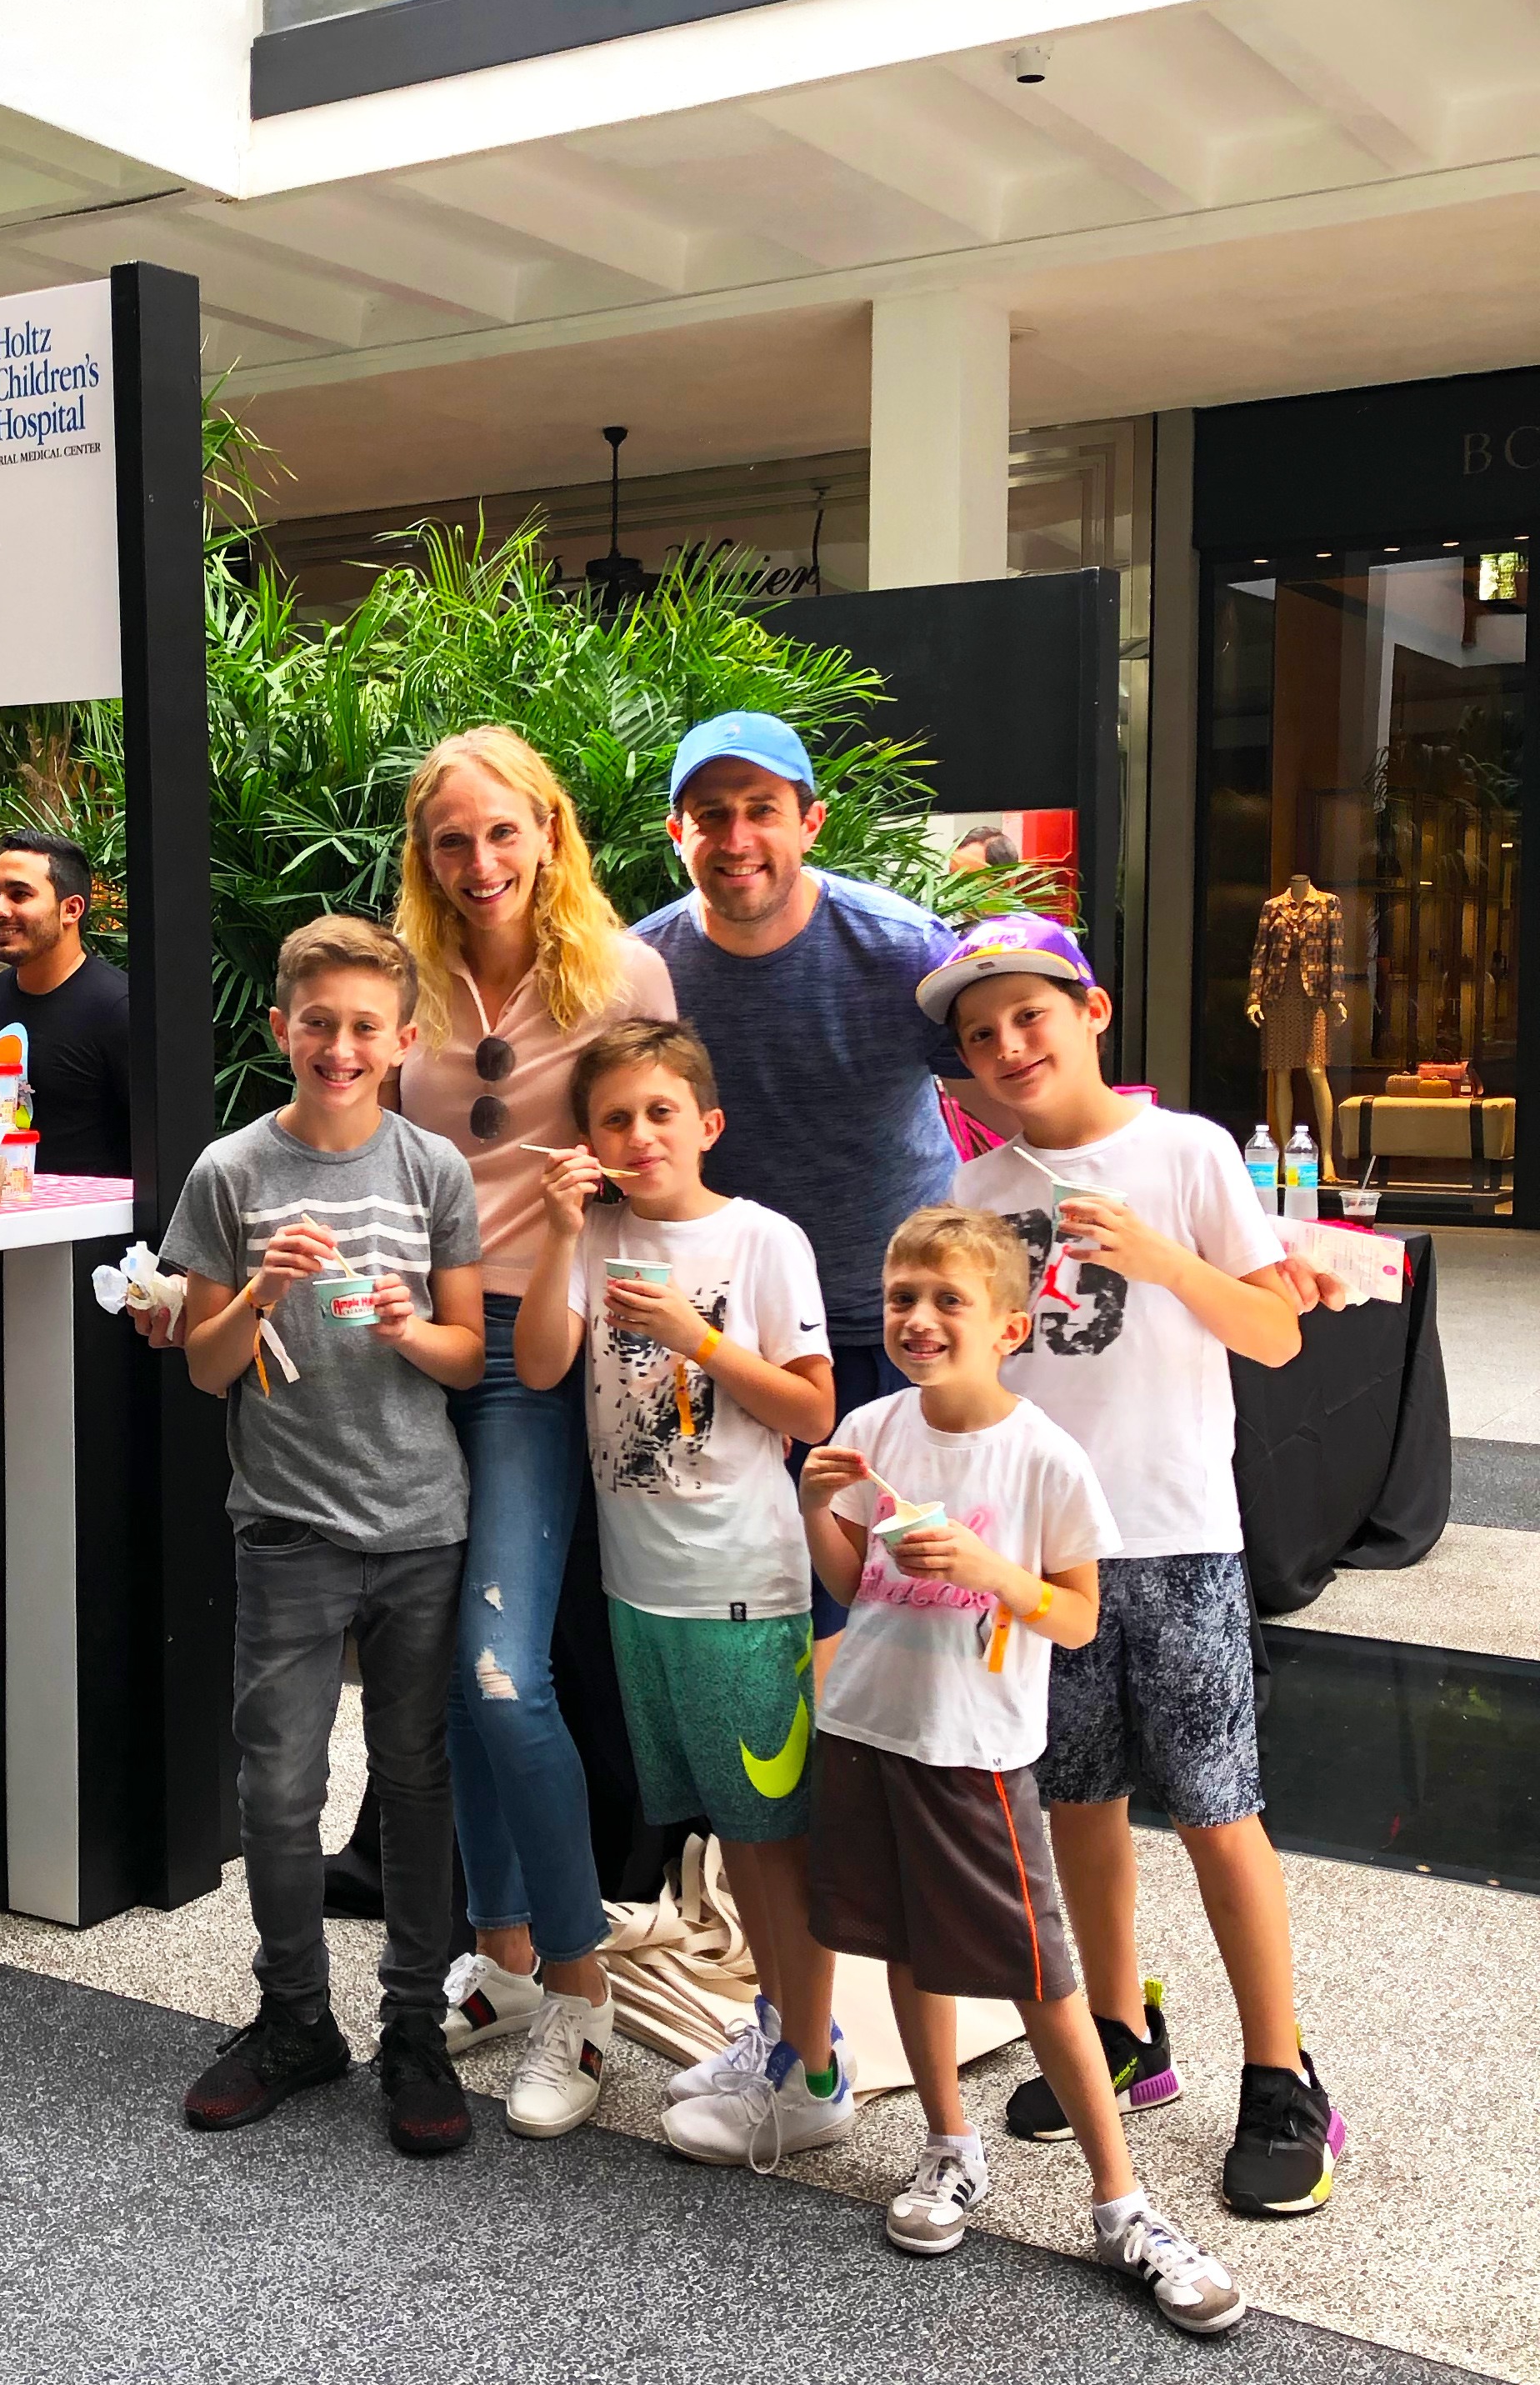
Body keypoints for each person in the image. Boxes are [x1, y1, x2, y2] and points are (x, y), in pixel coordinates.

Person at [929, 914, 1345, 2219]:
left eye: (1030, 1018)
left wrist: (1160, 1256)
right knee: (1077, 1806)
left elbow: (1273, 1333)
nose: (1008, 1047)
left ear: (1093, 1013)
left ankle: (1282, 2072)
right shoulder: (980, 1197)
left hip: (1176, 1537)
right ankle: (1120, 2028)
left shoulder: (1187, 1151)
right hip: (1044, 1556)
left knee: (1220, 1810)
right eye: (981, 1035)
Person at [799, 1203, 1246, 2336]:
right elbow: (854, 1587)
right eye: (904, 1296)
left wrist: (995, 1571)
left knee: (1045, 1977)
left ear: (1009, 1325)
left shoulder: (1043, 1455)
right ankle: (949, 2145)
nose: (919, 1318)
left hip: (979, 1752)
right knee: (904, 1939)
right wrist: (817, 1510)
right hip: (870, 1726)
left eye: (950, 1299)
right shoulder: (874, 1425)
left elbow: (1081, 1616)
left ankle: (1123, 2204)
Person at [159, 914, 487, 2158]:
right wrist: (261, 1290)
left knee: (414, 1781)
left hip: (421, 1527)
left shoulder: (432, 1172)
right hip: (287, 1529)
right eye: (319, 1024)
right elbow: (205, 1369)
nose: (340, 1047)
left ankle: (413, 2025)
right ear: (281, 1029)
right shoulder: (230, 1174)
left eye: (365, 1028)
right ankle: (296, 2015)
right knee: (277, 1788)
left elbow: (465, 1358)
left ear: (403, 1042)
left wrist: (410, 1327)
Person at [391, 727, 677, 2138]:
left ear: (549, 831)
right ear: (422, 853)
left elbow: (665, 1143)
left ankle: (579, 1992)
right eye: (451, 840)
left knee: (504, 1671)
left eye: (502, 833)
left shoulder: (619, 975)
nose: (479, 862)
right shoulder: (402, 988)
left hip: (541, 1351)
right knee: (451, 1667)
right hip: (410, 1348)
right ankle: (500, 1958)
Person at [514, 1018, 852, 2167]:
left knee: (771, 1840)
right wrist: (561, 1230)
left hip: (744, 1589)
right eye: (615, 1118)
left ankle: (813, 2075)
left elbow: (813, 1412)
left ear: (708, 1124)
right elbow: (541, 1365)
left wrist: (697, 1338)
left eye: (662, 1112)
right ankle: (783, 2036)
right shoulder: (591, 1229)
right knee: (731, 1832)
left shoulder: (762, 1240)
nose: (639, 1134)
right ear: (589, 1141)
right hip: (639, 1592)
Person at [632, 712, 1018, 1672]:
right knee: (761, 1605)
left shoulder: (899, 948)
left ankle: (903, 1808)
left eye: (761, 809)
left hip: (897, 1326)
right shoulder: (645, 972)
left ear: (812, 823)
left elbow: (1009, 1105)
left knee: (919, 1598)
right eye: (708, 815)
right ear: (677, 836)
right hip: (734, 1337)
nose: (736, 839)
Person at [0, 828, 131, 1177]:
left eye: (20, 895)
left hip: (93, 1225)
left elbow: (162, 1145)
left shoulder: (118, 1007)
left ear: (71, 909)